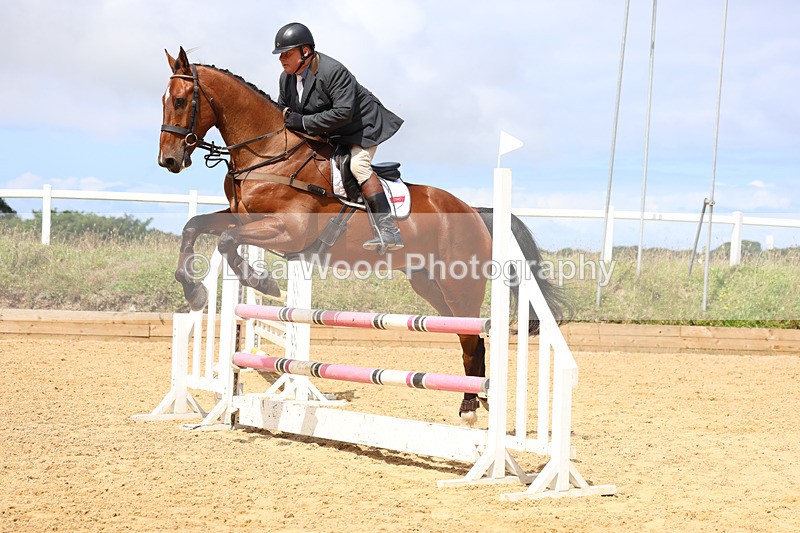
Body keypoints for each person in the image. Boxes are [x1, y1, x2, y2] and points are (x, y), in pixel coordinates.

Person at [273, 22, 405, 252]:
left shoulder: (332, 71)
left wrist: (303, 122)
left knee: (358, 164)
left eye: (287, 53)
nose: (282, 59)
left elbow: (343, 113)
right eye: (280, 54)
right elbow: (283, 112)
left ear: (305, 51)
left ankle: (389, 231)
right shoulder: (287, 79)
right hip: (330, 132)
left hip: (362, 127)